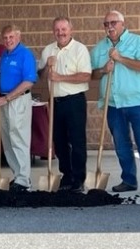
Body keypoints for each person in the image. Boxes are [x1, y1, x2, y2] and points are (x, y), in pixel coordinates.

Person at [91, 10, 140, 197]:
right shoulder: (99, 48)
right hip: (113, 104)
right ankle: (129, 180)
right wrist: (104, 69)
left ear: (123, 23)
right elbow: (92, 74)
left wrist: (120, 58)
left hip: (137, 102)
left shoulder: (139, 42)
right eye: (106, 24)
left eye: (113, 22)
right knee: (121, 144)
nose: (110, 27)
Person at [38, 16, 91, 193]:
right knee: (59, 142)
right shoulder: (48, 50)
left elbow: (85, 76)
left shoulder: (79, 49)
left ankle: (78, 178)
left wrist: (60, 77)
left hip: (74, 101)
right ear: (53, 31)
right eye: (57, 30)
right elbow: (41, 75)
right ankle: (66, 176)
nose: (61, 33)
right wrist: (47, 66)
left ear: (71, 30)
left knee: (77, 141)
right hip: (55, 101)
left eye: (64, 29)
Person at [0, 25, 37, 192]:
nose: (8, 40)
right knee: (8, 141)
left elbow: (28, 81)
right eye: (5, 38)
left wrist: (7, 98)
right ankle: (18, 176)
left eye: (11, 37)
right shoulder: (5, 55)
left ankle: (24, 179)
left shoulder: (25, 54)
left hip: (17, 100)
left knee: (18, 138)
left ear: (18, 36)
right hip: (4, 100)